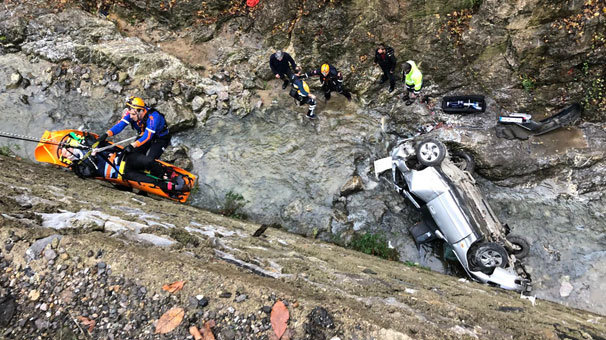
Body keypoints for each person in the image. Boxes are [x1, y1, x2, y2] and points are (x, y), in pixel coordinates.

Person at [59, 135, 189, 193]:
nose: (68, 152)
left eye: (68, 149)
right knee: (150, 181)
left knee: (148, 161)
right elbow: (90, 172)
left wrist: (95, 146)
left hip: (124, 158)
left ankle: (165, 174)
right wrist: (92, 158)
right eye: (66, 153)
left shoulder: (85, 145)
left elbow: (100, 141)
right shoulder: (78, 166)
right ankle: (173, 187)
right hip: (122, 173)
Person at [96, 96, 170, 160]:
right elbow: (119, 126)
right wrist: (106, 134)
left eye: (133, 114)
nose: (131, 116)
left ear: (141, 111)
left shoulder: (153, 118)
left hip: (160, 138)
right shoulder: (132, 112)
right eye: (130, 114)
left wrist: (132, 145)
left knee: (149, 160)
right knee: (133, 154)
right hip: (144, 134)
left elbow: (147, 136)